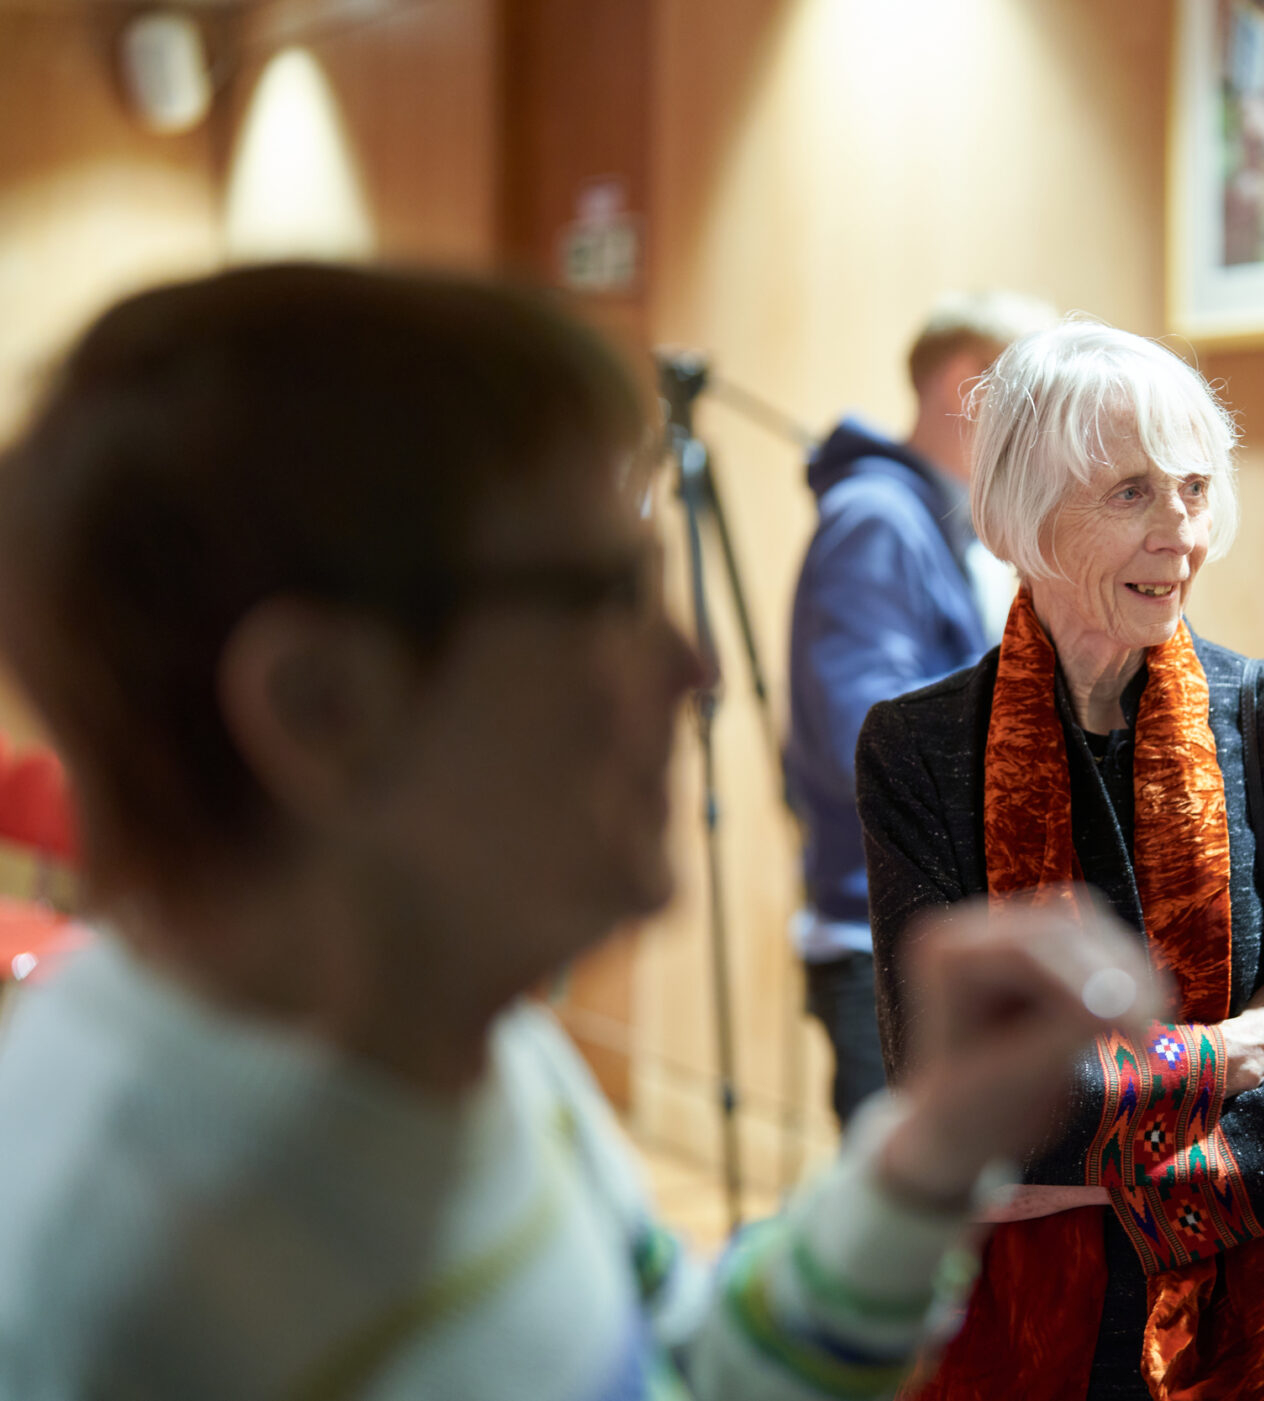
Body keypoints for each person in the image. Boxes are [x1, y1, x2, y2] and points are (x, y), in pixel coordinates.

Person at [0, 264, 1163, 1401]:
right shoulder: (95, 1307)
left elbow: (690, 1367)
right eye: (611, 594)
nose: (693, 667)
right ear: (324, 707)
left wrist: (934, 1148)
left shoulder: (470, 1044)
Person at [856, 320, 1264, 1401]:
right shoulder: (918, 747)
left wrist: (1080, 1169)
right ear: (1023, 517)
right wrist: (1233, 1048)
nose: (1181, 531)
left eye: (1193, 487)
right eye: (1130, 492)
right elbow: (949, 1088)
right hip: (1018, 1342)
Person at [785, 290, 1055, 1126]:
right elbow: (867, 734)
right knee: (899, 1241)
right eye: (1033, 396)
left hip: (920, 929)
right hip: (887, 942)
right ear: (963, 383)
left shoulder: (935, 523)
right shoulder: (879, 520)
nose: (1046, 427)